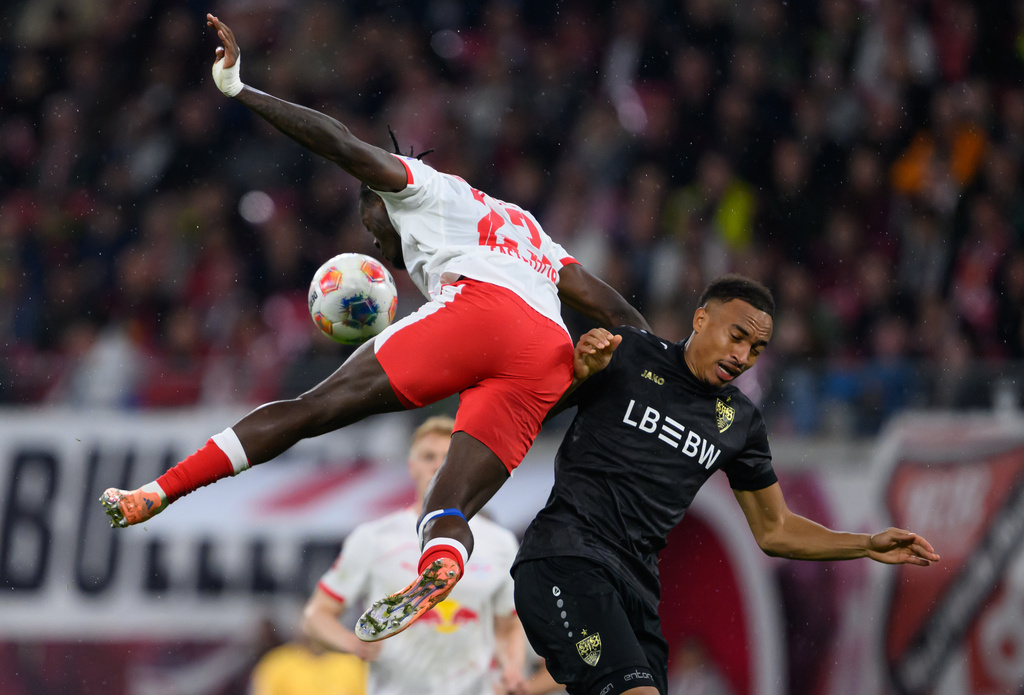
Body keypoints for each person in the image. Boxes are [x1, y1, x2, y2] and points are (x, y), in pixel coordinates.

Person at [99, 13, 650, 643]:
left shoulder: (420, 189)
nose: (376, 243)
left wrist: (240, 91)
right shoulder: (524, 226)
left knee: (311, 409)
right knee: (446, 507)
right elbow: (608, 304)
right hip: (545, 348)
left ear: (379, 198)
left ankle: (159, 491)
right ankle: (441, 564)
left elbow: (338, 142)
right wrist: (665, 366)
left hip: (481, 312)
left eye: (371, 226)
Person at [512, 274, 941, 695]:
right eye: (736, 336)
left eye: (756, 348)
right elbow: (523, 414)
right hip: (566, 558)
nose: (743, 355)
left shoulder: (740, 422)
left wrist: (865, 545)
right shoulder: (630, 353)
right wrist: (578, 374)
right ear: (700, 320)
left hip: (636, 592)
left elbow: (775, 530)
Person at [304, 415, 561, 695]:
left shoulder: (499, 541)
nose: (438, 465)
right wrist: (352, 643)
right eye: (428, 456)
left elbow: (508, 625)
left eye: (448, 457)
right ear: (411, 465)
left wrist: (512, 668)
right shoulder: (374, 537)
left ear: (463, 467)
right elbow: (317, 615)